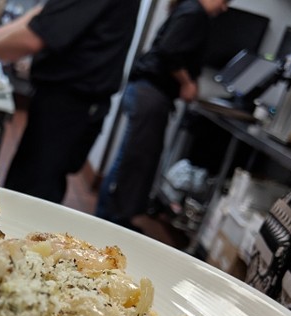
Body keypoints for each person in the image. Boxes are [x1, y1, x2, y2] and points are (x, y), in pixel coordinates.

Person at [0, 0, 141, 204]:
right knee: (29, 178)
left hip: (72, 103)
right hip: (60, 97)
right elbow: (41, 15)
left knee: (34, 191)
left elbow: (33, 38)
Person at [95, 0, 230, 230]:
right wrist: (187, 82)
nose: (225, 8)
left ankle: (113, 217)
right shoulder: (194, 12)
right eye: (225, 1)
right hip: (150, 92)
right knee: (134, 161)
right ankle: (110, 219)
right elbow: (169, 51)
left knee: (133, 158)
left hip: (147, 92)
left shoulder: (189, 10)